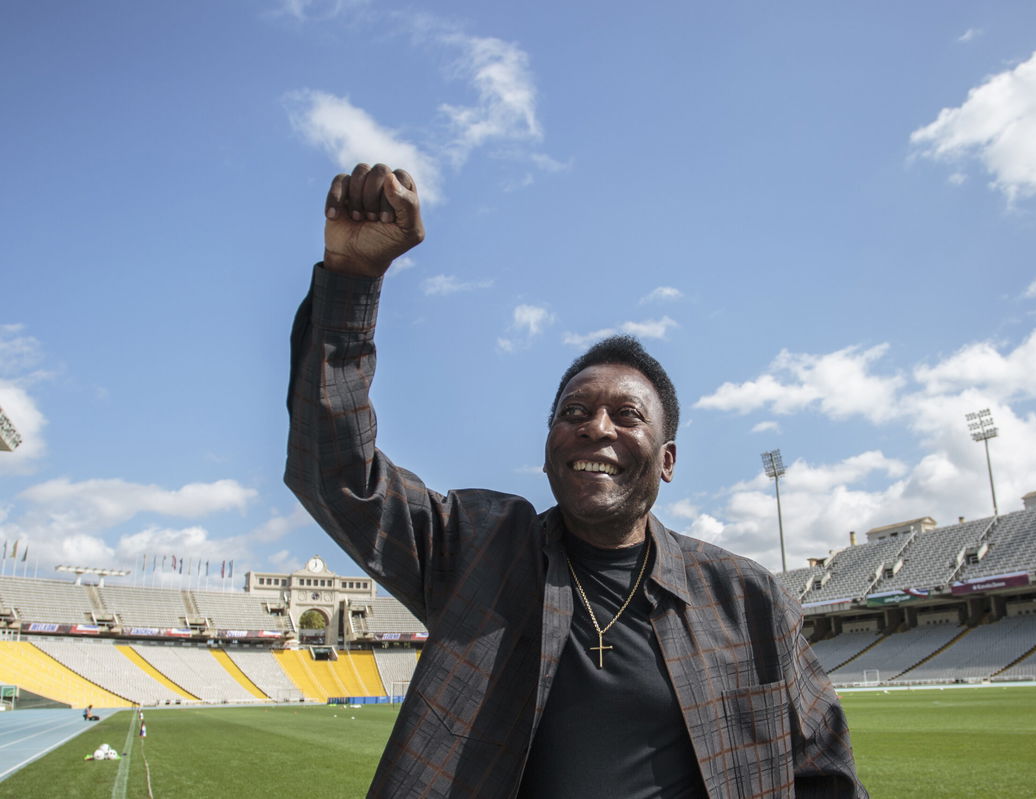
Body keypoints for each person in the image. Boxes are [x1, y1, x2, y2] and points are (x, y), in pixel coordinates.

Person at [286, 162, 867, 798]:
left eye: (626, 415)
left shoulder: (747, 600)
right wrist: (351, 281)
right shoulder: (477, 551)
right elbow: (337, 472)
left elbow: (824, 778)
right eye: (573, 413)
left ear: (667, 461)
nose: (596, 428)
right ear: (548, 451)